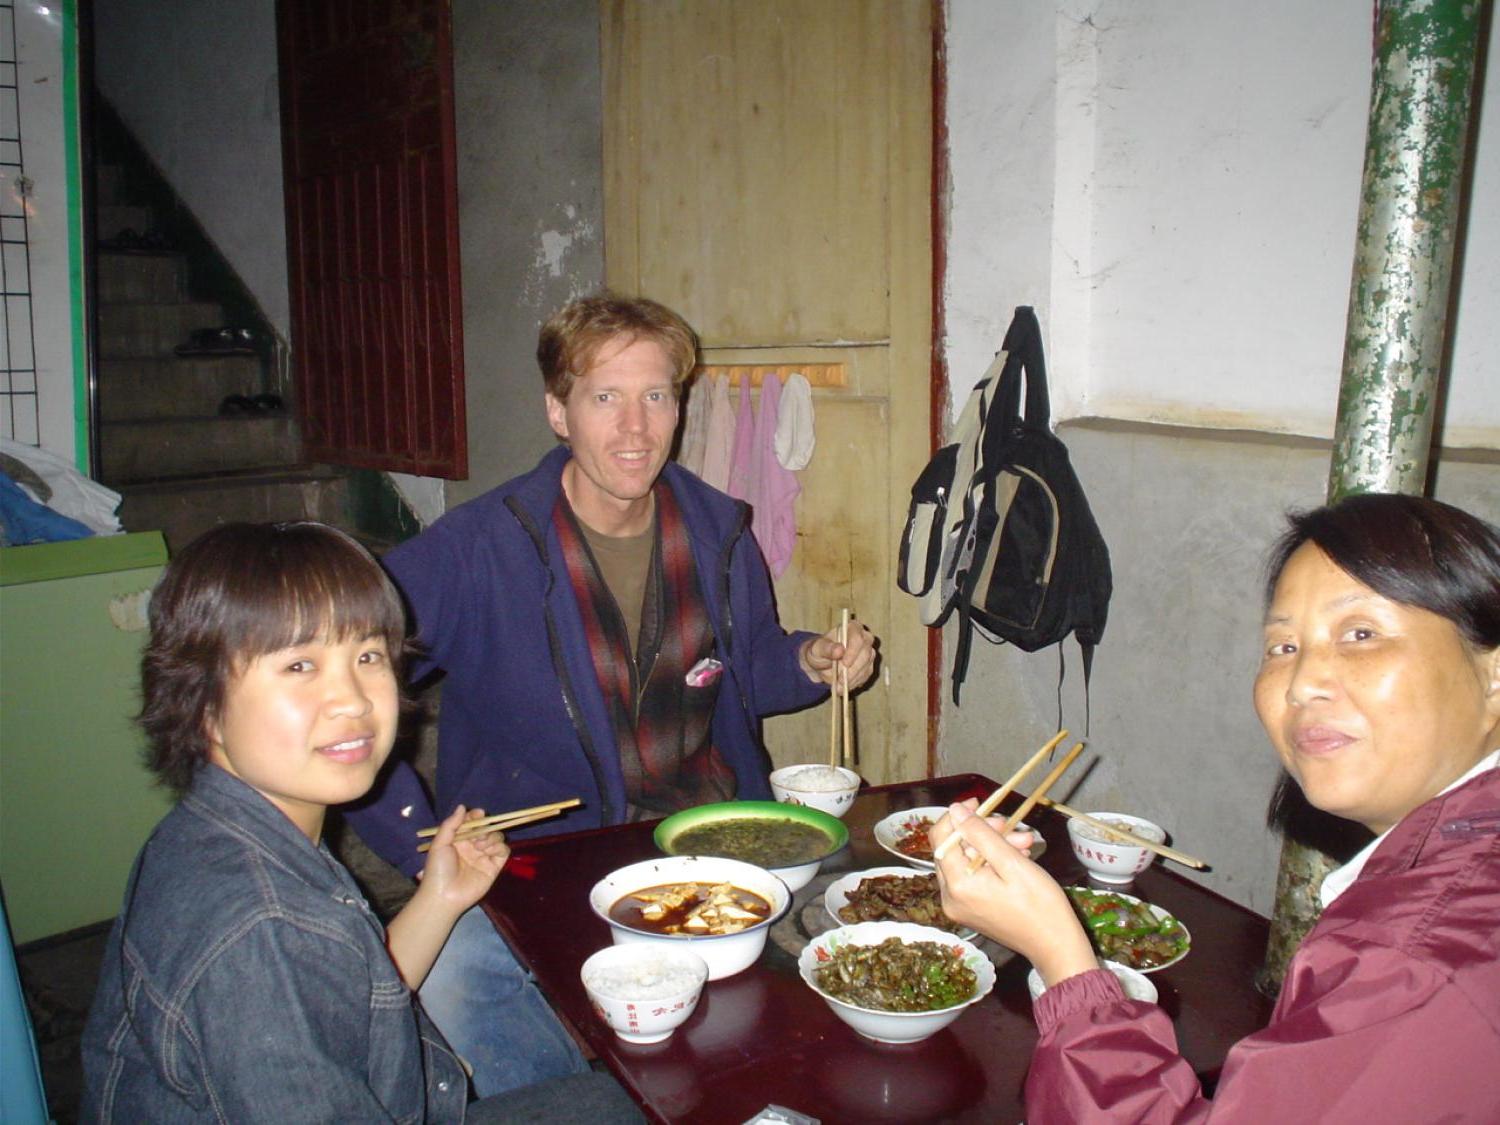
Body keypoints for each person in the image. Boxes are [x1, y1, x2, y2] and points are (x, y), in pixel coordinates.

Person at [343, 293, 878, 1093]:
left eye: (655, 395)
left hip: (706, 838)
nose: (635, 428)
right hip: (540, 864)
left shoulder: (718, 532)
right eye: (605, 397)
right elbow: (346, 699)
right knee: (450, 985)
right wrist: (423, 847)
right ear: (558, 411)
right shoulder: (480, 548)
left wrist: (809, 660)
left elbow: (743, 670)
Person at [933, 492, 1500, 1122]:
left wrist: (1064, 960)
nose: (1304, 680)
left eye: (1360, 635)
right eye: (1283, 647)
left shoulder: (1425, 958)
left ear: (1493, 673)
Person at [81, 523, 643, 1123]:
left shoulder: (224, 828)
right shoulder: (261, 928)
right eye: (300, 665)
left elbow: (352, 1002)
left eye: (368, 656)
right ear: (202, 703)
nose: (352, 699)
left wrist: (440, 897)